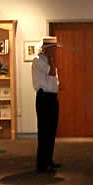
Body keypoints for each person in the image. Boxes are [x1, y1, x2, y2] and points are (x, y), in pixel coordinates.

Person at [31, 36, 61, 172]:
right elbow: (51, 71)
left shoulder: (51, 61)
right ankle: (42, 163)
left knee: (51, 130)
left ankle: (49, 159)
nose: (55, 51)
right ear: (47, 49)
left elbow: (54, 78)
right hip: (44, 98)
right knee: (44, 131)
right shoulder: (38, 61)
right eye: (53, 49)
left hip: (52, 98)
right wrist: (50, 59)